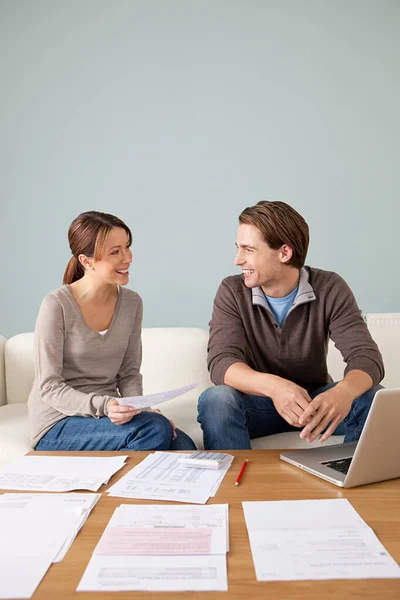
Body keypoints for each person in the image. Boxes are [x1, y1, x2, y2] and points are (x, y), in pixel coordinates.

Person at [197, 201, 384, 450]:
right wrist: (275, 387)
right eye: (238, 248)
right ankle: (234, 487)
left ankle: (348, 477)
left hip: (314, 405)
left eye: (248, 250)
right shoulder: (232, 290)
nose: (237, 260)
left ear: (284, 253)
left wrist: (344, 392)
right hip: (259, 404)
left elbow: (366, 356)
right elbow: (222, 362)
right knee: (216, 399)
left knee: (372, 396)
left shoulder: (330, 287)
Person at [29, 211, 196, 452]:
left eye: (127, 247)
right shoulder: (57, 304)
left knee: (182, 444)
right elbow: (49, 387)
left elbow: (128, 374)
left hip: (110, 415)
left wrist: (141, 409)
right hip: (58, 422)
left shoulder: (132, 303)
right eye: (115, 252)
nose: (127, 258)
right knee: (156, 429)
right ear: (87, 261)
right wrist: (106, 406)